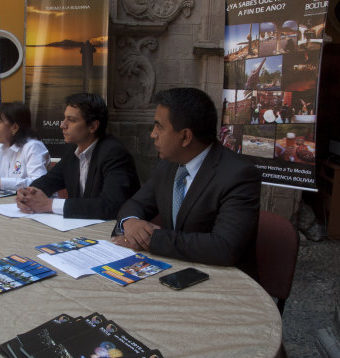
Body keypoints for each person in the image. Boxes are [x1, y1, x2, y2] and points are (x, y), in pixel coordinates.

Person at [111, 88, 261, 276]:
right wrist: (131, 222)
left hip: (222, 281)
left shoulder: (238, 175)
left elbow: (224, 247)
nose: (152, 134)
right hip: (176, 269)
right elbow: (136, 203)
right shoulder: (167, 164)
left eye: (159, 126)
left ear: (185, 136)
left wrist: (151, 239)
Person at [17, 93, 140, 220]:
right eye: (64, 118)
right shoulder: (73, 150)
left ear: (92, 126)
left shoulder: (114, 153)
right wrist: (27, 193)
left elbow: (110, 205)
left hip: (110, 231)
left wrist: (49, 204)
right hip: (79, 224)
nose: (62, 125)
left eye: (71, 120)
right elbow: (49, 181)